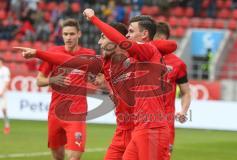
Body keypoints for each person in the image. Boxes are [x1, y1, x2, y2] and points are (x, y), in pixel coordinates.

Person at [14, 10, 177, 160]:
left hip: (150, 127)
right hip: (126, 130)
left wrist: (93, 18)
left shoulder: (142, 54)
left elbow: (169, 46)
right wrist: (38, 53)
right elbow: (70, 62)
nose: (98, 42)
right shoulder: (105, 64)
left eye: (103, 37)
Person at [32, 18, 96, 160]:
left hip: (76, 113)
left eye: (72, 34)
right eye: (65, 34)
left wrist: (94, 78)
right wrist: (52, 80)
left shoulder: (89, 54)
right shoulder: (53, 53)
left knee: (74, 157)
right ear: (62, 35)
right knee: (58, 157)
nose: (68, 37)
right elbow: (39, 80)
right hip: (55, 113)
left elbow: (96, 76)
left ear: (79, 34)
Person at [154, 21, 191, 156]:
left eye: (160, 38)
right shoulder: (141, 57)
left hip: (166, 121)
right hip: (142, 119)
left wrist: (183, 111)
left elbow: (186, 92)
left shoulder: (178, 64)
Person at [0, 58, 11, 135]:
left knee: (4, 110)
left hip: (2, 93)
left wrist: (2, 92)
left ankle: (7, 125)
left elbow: (7, 82)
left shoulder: (5, 70)